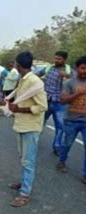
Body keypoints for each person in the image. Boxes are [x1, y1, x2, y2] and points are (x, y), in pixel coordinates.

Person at [7, 52, 47, 207]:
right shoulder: (24, 80)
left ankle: (25, 193)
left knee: (28, 161)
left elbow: (43, 106)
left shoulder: (34, 82)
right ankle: (24, 183)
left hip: (30, 126)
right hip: (22, 125)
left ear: (18, 65)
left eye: (16, 63)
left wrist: (19, 110)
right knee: (23, 159)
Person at [56, 56, 86, 185]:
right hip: (71, 120)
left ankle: (85, 174)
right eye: (83, 68)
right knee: (67, 144)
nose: (85, 71)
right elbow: (62, 100)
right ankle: (62, 161)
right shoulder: (69, 83)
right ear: (77, 68)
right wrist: (78, 94)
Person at [42, 51, 71, 156]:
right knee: (40, 122)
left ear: (64, 60)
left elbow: (75, 80)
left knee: (60, 126)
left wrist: (67, 76)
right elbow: (36, 75)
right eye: (56, 58)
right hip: (46, 100)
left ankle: (57, 146)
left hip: (60, 103)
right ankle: (34, 140)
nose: (56, 60)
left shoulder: (68, 71)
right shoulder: (49, 68)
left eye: (59, 59)